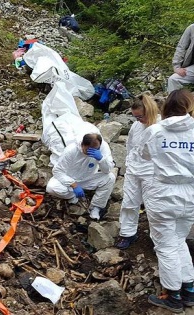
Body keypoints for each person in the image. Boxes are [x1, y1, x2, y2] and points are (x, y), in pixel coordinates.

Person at [141, 89, 194, 313]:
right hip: (190, 194)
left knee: (165, 246)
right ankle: (189, 290)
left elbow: (144, 155)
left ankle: (173, 296)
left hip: (163, 193)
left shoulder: (155, 131)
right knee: (179, 240)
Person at [115, 94, 160, 249]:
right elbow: (130, 146)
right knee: (129, 202)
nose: (138, 120)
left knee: (154, 206)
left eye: (140, 116)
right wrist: (129, 164)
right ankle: (128, 233)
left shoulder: (161, 125)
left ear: (149, 111)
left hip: (153, 172)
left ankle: (159, 240)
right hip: (134, 170)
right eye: (135, 117)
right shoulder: (136, 126)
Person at [46, 133, 116, 220]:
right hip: (70, 178)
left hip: (88, 178)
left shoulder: (103, 148)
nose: (91, 153)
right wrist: (73, 184)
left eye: (95, 150)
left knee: (110, 178)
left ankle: (96, 207)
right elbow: (57, 171)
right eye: (88, 150)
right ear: (82, 145)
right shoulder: (71, 150)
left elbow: (107, 170)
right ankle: (72, 195)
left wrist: (101, 159)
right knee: (51, 188)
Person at [168, 23, 194, 92]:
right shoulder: (192, 28)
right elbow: (181, 47)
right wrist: (177, 67)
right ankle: (174, 102)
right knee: (173, 79)